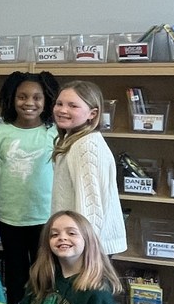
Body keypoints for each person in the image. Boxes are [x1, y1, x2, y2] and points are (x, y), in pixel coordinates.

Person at [0, 70, 60, 304]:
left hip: (44, 216)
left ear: (47, 101)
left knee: (45, 272)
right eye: (22, 97)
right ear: (12, 99)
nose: (29, 103)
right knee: (15, 271)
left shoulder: (55, 133)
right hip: (9, 216)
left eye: (37, 97)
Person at [50, 81, 127, 254]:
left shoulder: (87, 146)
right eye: (59, 103)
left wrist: (83, 252)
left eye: (73, 106)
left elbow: (91, 207)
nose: (62, 110)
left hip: (87, 248)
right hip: (78, 243)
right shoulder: (74, 139)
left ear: (92, 114)